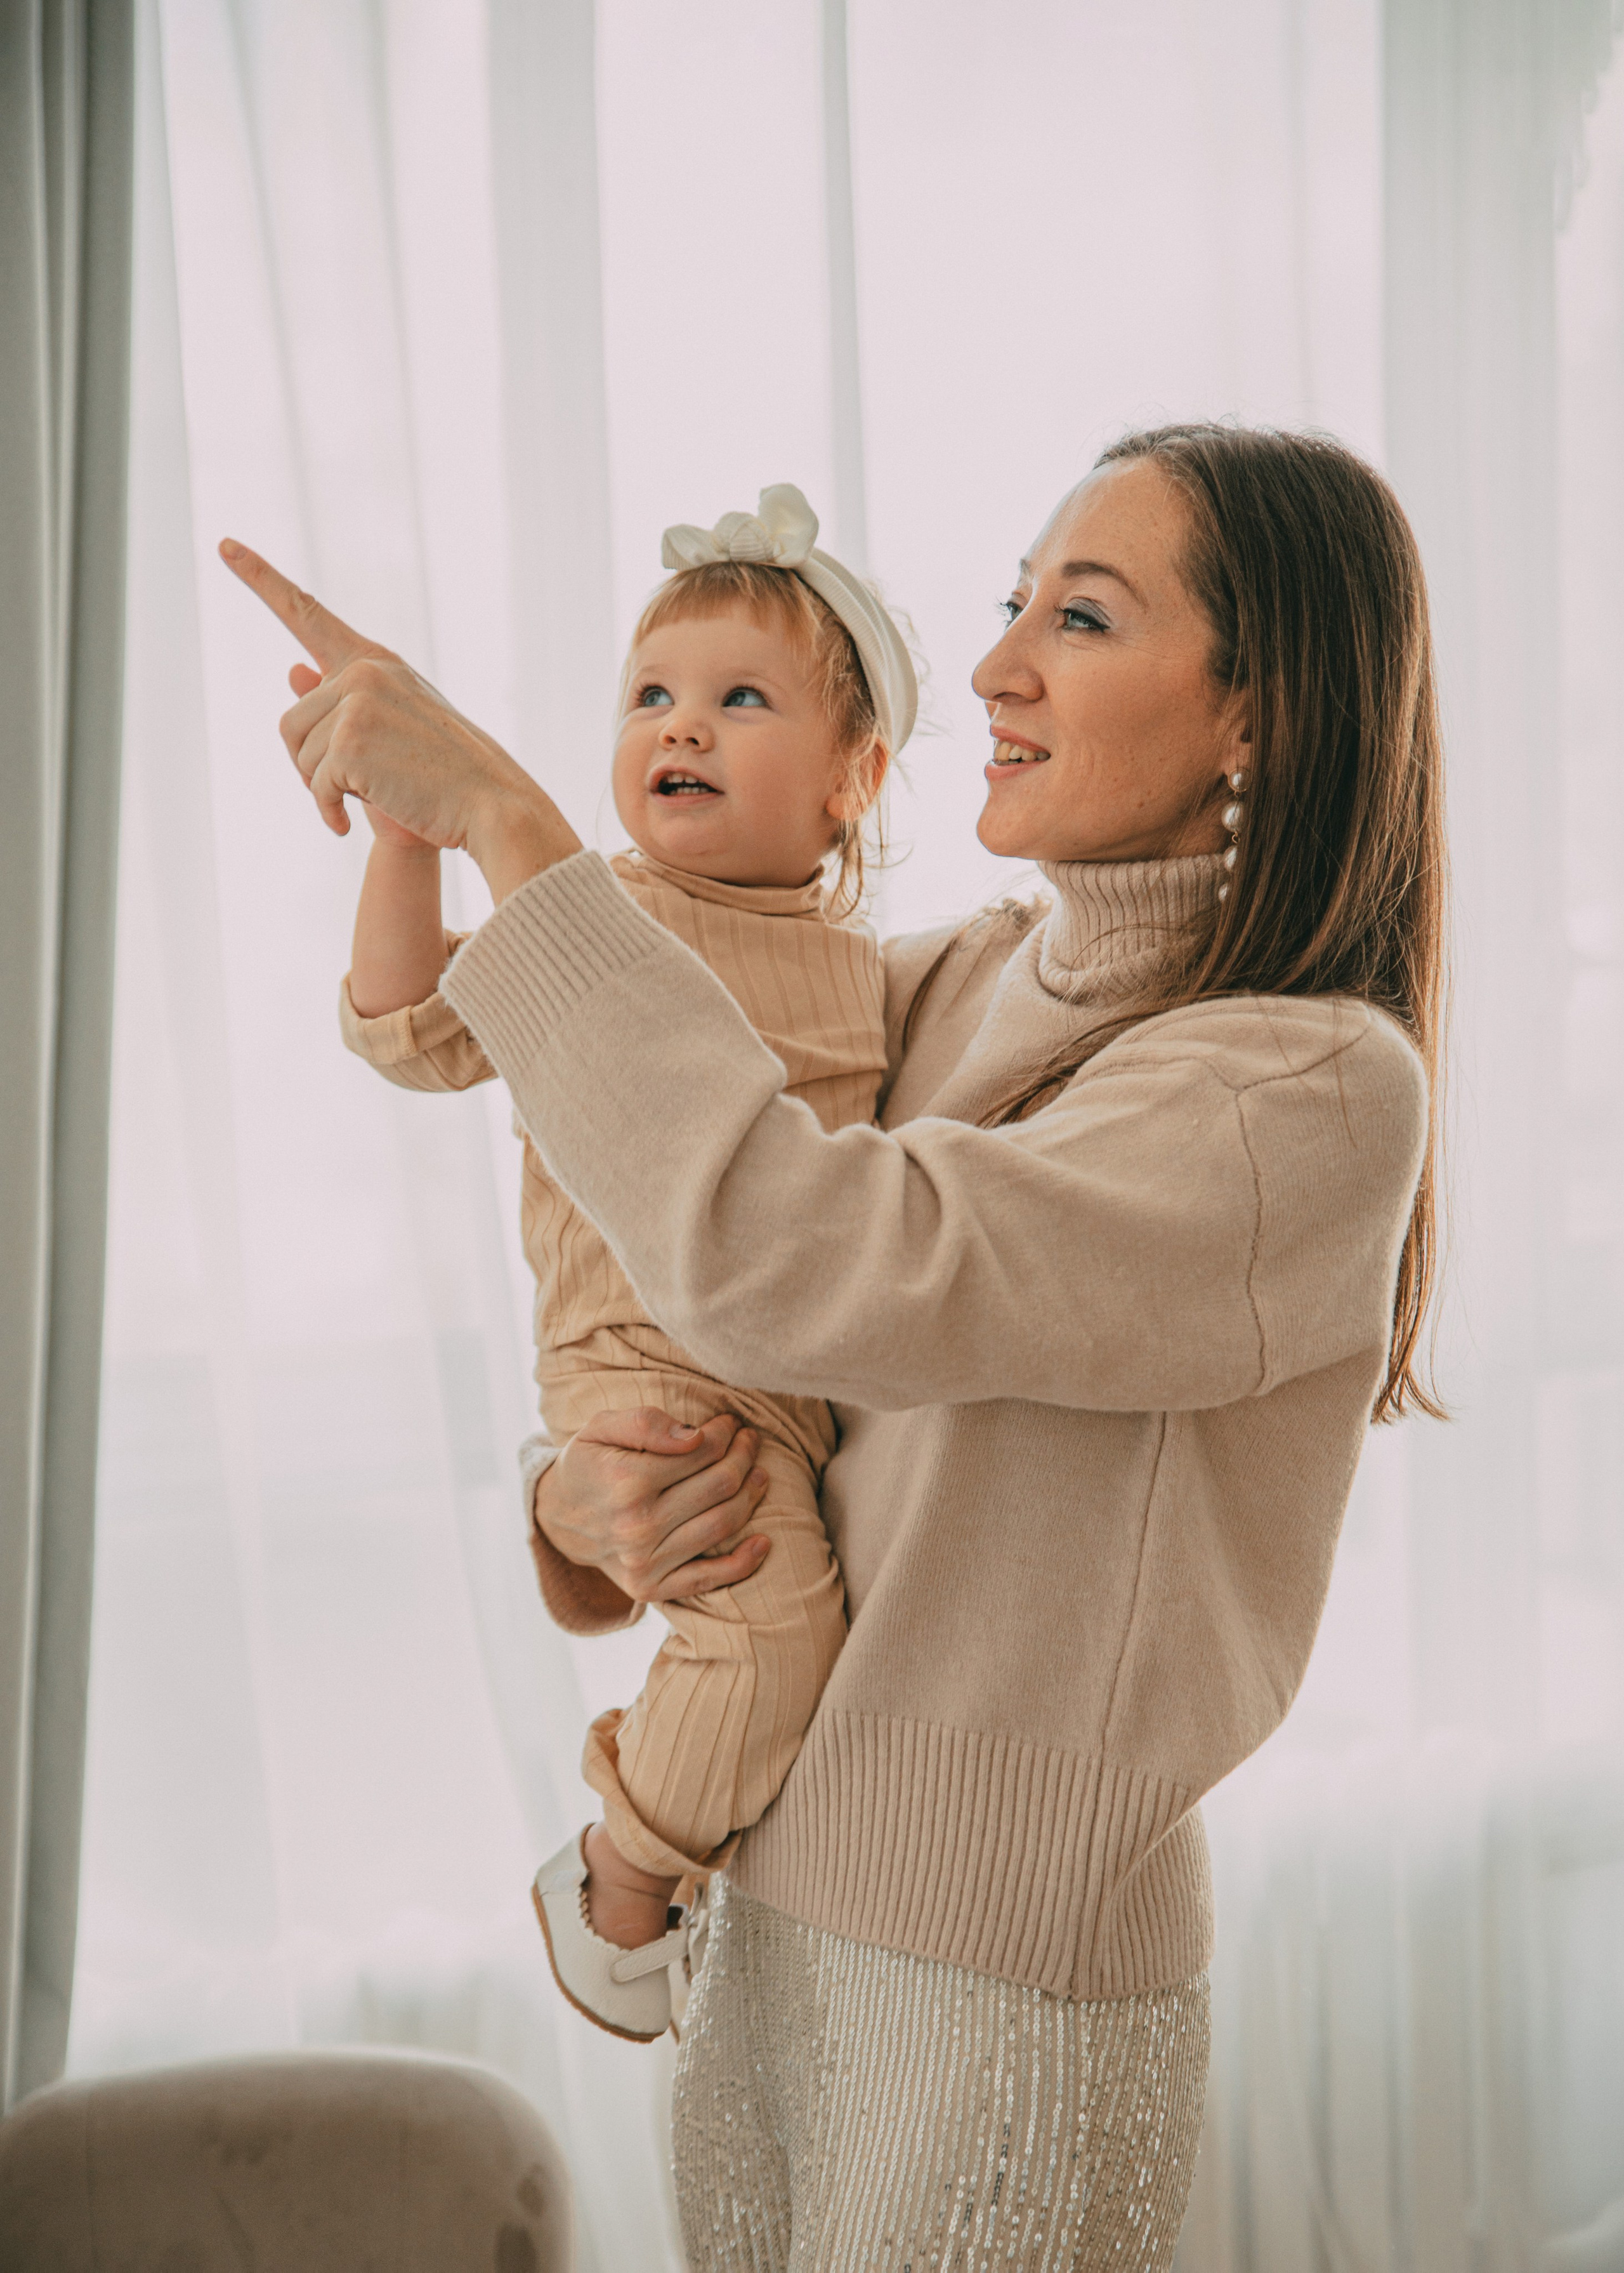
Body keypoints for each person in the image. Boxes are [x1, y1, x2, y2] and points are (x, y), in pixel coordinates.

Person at [222, 421, 1444, 2271]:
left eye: (1087, 616)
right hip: (760, 1919)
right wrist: (581, 1505)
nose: (1002, 664)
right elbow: (733, 1321)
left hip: (1000, 1994)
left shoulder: (1306, 1089)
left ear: (1254, 716)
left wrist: (510, 820)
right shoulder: (952, 981)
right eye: (1012, 602)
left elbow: (792, 1256)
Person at [331, 485, 917, 2042]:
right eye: (651, 697)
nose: (684, 726)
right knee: (775, 1632)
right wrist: (410, 843)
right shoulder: (590, 917)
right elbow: (408, 1033)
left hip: (785, 1385)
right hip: (641, 1358)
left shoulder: (882, 973)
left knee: (786, 1644)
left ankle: (674, 1863)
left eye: (741, 699)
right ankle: (619, 1877)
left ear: (853, 780)